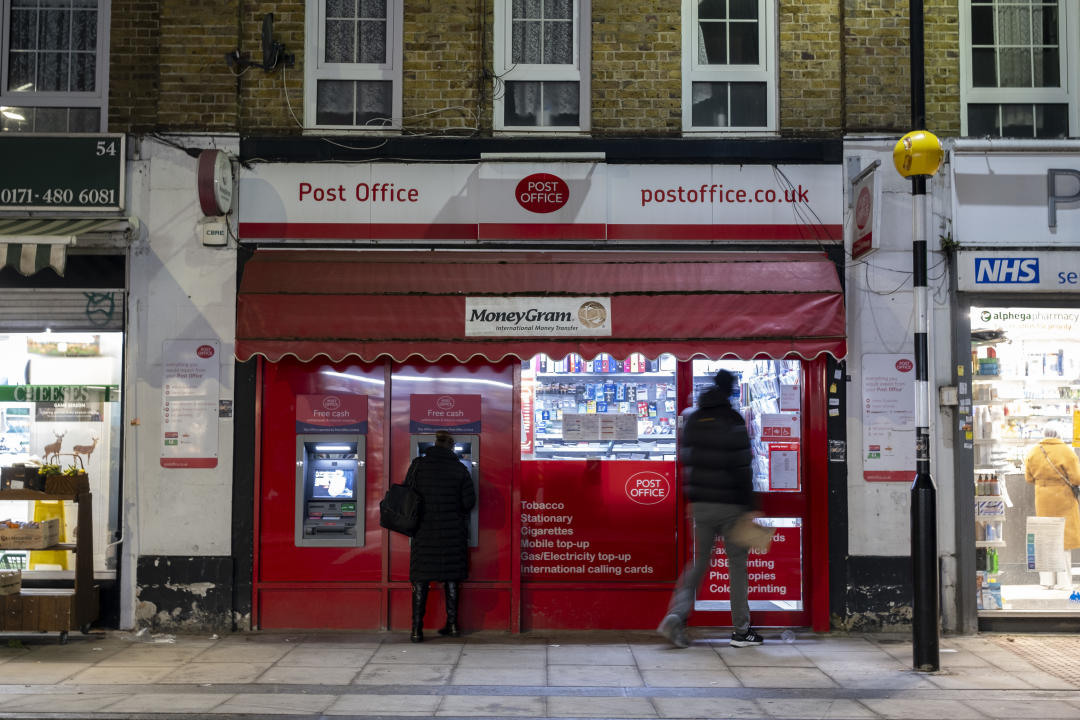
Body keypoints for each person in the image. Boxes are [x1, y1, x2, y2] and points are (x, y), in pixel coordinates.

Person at [658, 369, 762, 648]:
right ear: (731, 391)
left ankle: (676, 615)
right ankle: (742, 631)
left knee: (698, 564)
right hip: (731, 506)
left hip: (701, 505)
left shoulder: (693, 419)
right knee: (737, 567)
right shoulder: (733, 420)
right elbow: (743, 468)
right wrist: (750, 506)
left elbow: (686, 459)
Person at [408, 430, 476, 642]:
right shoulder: (459, 469)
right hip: (452, 533)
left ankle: (416, 630)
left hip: (424, 532)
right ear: (452, 447)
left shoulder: (419, 465)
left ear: (434, 445)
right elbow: (468, 503)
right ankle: (453, 625)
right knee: (451, 578)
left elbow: (408, 495)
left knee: (420, 580)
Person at [1024, 424, 1080, 589]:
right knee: (1063, 540)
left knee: (1045, 537)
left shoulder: (1034, 451)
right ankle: (1063, 582)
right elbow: (1076, 478)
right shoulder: (1066, 451)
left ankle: (1046, 582)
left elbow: (1028, 477)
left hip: (1042, 499)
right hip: (1063, 499)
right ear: (1059, 433)